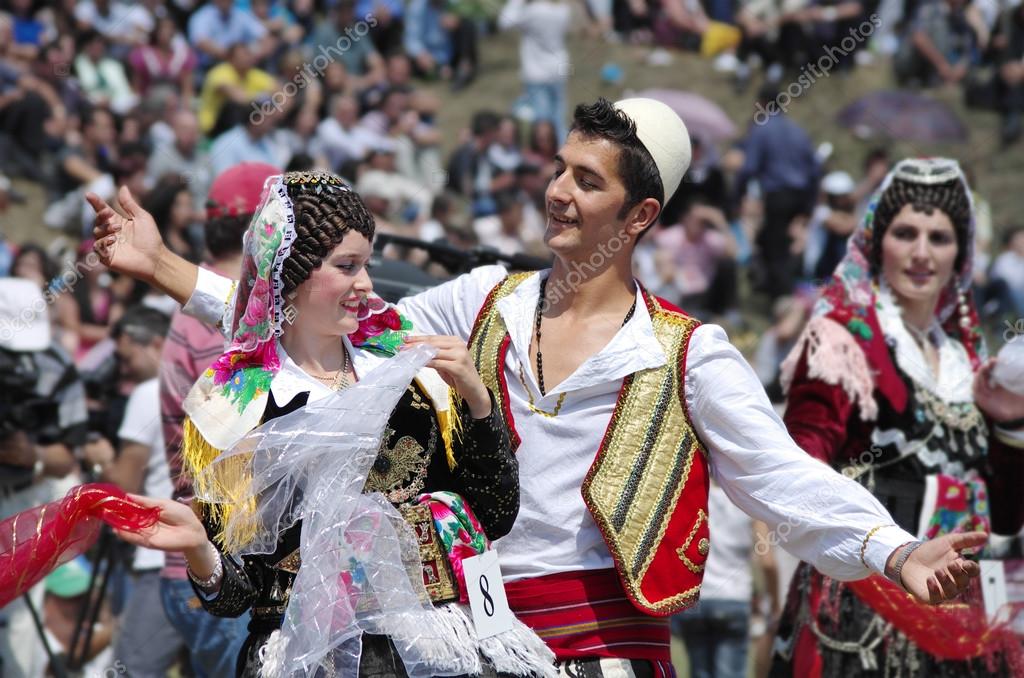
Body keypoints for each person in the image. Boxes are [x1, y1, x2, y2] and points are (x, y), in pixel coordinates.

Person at [90, 100, 986, 675]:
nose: (556, 190)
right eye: (559, 167)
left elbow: (781, 477)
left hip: (605, 652)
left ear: (640, 217)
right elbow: (314, 314)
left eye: (585, 180)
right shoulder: (484, 299)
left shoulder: (687, 352)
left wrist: (894, 550)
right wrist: (162, 264)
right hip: (462, 647)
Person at [89, 171, 551, 677]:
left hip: (440, 649)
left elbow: (495, 511)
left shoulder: (414, 375)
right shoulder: (232, 407)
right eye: (347, 266)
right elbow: (237, 595)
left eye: (366, 264)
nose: (367, 284)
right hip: (314, 658)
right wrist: (199, 549)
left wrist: (478, 400)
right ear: (289, 273)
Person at [772, 157, 1024, 675]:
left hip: (966, 615)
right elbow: (796, 471)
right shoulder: (843, 339)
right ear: (876, 239)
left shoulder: (968, 362)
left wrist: (1009, 427)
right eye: (906, 232)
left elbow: (1006, 516)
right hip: (866, 611)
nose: (921, 253)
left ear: (962, 253)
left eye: (940, 237)